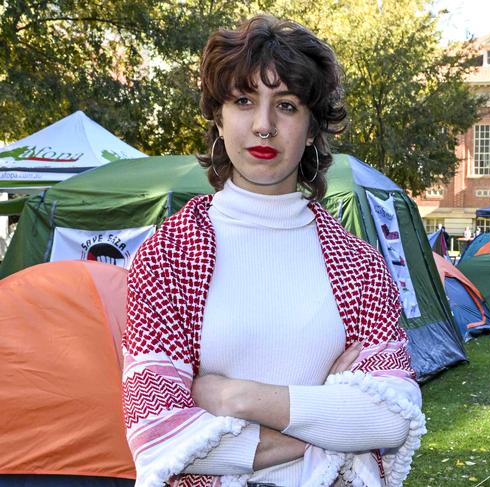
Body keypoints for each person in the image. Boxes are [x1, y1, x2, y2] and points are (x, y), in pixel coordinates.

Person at [121, 15, 425, 487]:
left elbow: (390, 420)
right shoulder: (167, 255)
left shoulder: (360, 265)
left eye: (286, 105)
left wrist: (236, 397)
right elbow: (158, 436)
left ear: (311, 130)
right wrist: (326, 418)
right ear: (219, 118)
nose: (263, 125)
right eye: (243, 101)